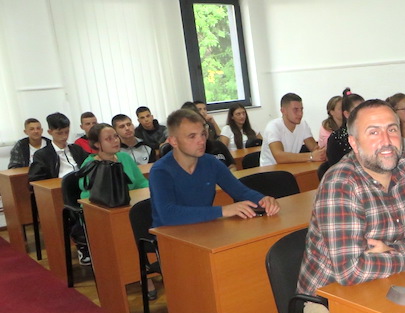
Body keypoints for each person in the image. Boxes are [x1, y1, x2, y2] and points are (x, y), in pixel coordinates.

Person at [297, 99, 405, 313]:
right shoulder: (340, 184)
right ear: (354, 143)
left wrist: (390, 250)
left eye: (392, 129)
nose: (386, 140)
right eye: (374, 132)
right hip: (330, 299)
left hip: (396, 281)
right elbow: (350, 271)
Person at [148, 109, 280, 228]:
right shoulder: (161, 171)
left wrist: (262, 199)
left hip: (203, 228)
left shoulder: (211, 162)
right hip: (170, 236)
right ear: (173, 141)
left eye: (203, 134)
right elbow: (168, 215)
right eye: (192, 136)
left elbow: (240, 191)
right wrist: (222, 211)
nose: (201, 141)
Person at [78, 123, 150, 276]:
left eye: (115, 137)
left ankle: (149, 269)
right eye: (108, 139)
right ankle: (137, 274)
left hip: (129, 206)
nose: (115, 141)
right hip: (103, 213)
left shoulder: (124, 158)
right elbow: (85, 190)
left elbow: (140, 182)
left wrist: (151, 192)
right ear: (97, 144)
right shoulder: (91, 163)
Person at [259, 93, 326, 166]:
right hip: (270, 169)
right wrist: (311, 156)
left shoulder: (303, 124)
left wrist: (322, 152)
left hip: (291, 165)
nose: (300, 114)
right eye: (295, 110)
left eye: (301, 109)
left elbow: (314, 148)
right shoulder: (273, 126)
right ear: (283, 111)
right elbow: (279, 157)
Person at [28, 112, 90, 182]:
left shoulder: (76, 149)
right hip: (59, 186)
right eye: (59, 133)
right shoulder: (42, 155)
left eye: (67, 132)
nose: (64, 136)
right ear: (50, 132)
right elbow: (36, 179)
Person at [325, 88, 364, 168]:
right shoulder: (336, 138)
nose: (363, 114)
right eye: (357, 110)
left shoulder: (370, 132)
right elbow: (335, 167)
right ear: (346, 114)